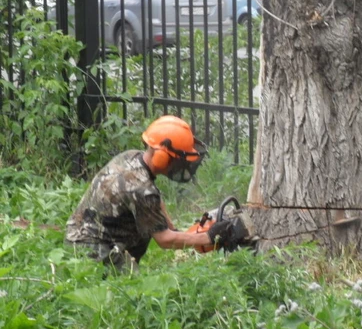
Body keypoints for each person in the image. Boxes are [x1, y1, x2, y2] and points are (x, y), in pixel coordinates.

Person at [64, 115, 235, 273]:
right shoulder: (143, 191)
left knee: (147, 226)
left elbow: (154, 198)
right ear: (162, 158)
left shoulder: (132, 157)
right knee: (136, 294)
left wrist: (173, 228)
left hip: (78, 232)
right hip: (92, 251)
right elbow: (164, 240)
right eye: (178, 160)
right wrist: (208, 238)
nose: (181, 165)